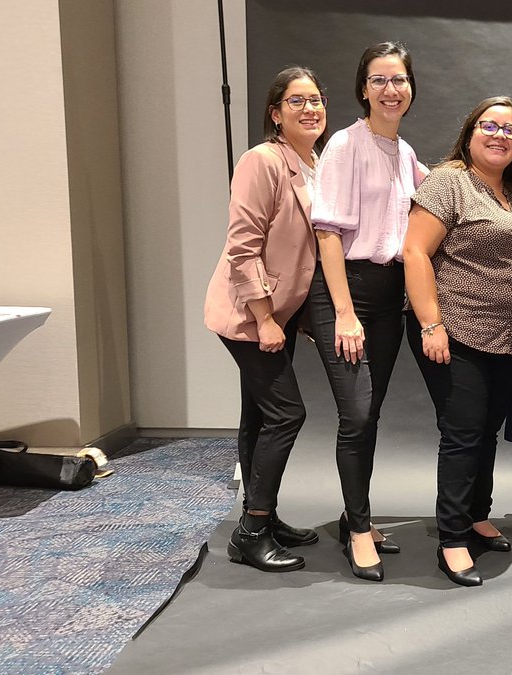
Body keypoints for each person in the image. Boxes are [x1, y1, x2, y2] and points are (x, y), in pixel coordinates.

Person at [404, 96, 512, 587]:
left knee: (486, 429)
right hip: (455, 330)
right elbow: (415, 251)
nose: (499, 135)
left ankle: (475, 515)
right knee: (463, 432)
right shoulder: (449, 182)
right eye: (490, 126)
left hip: (509, 336)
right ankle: (451, 540)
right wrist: (430, 324)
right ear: (470, 133)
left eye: (510, 129)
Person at [203, 66, 328, 573]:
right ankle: (251, 531)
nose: (310, 108)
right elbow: (242, 246)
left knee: (258, 415)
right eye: (296, 101)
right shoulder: (261, 160)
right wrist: (264, 318)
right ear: (275, 114)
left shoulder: (314, 162)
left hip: (279, 312)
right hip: (248, 314)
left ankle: (264, 516)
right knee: (285, 414)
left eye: (316, 99)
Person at [306, 42, 424, 582]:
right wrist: (345, 313)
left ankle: (360, 516)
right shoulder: (343, 146)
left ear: (409, 89)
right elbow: (327, 233)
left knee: (370, 413)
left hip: (389, 295)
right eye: (379, 80)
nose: (390, 89)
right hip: (345, 292)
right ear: (363, 89)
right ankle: (356, 532)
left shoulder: (404, 154)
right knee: (355, 414)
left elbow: (446, 193)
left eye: (398, 80)